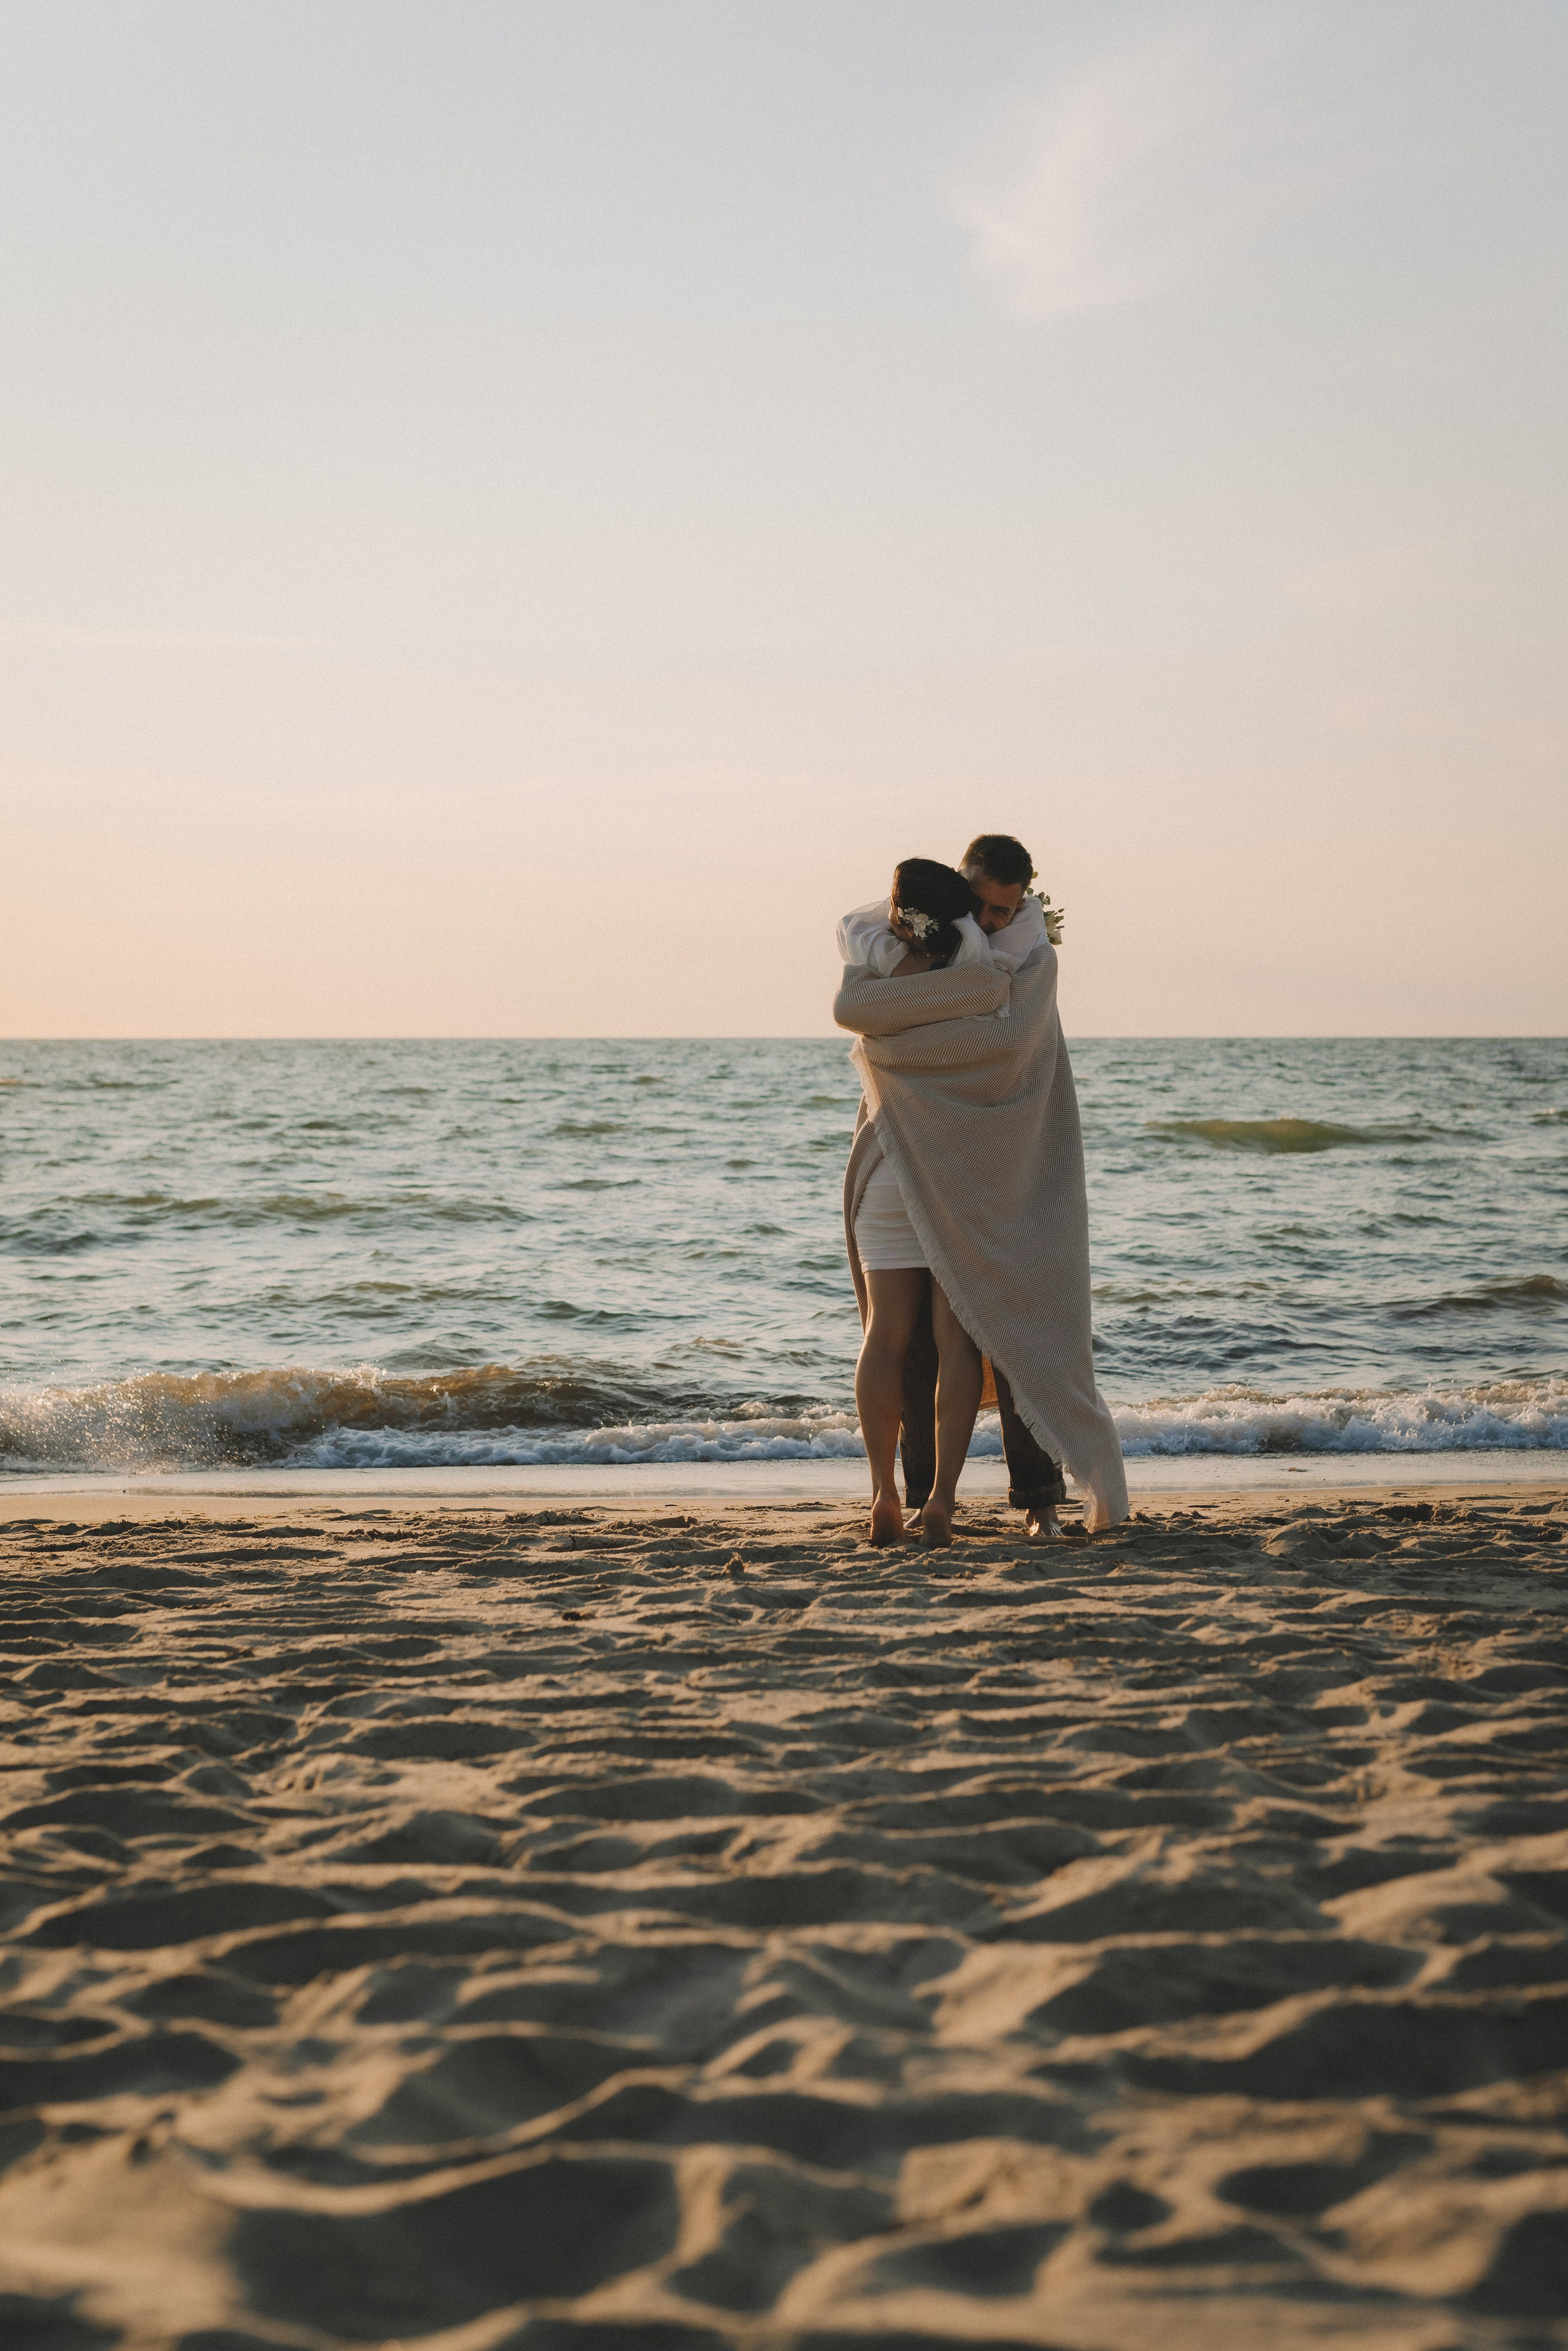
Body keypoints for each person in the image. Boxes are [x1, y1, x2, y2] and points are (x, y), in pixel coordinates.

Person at [835, 841, 1127, 1547]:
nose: (991, 922)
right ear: (958, 892)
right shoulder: (955, 959)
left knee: (993, 1324)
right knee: (952, 1338)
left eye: (1005, 909)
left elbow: (1007, 1056)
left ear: (1026, 901)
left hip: (955, 1165)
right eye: (980, 906)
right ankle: (927, 1499)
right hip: (924, 1164)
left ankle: (994, 1499)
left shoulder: (1016, 958)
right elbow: (967, 1039)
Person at [843, 860, 989, 1547]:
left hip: (886, 1172)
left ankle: (882, 1495)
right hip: (951, 1172)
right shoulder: (977, 978)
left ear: (905, 918)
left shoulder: (870, 981)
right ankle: (942, 1499)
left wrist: (897, 924)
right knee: (955, 1340)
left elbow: (853, 924)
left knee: (884, 1336)